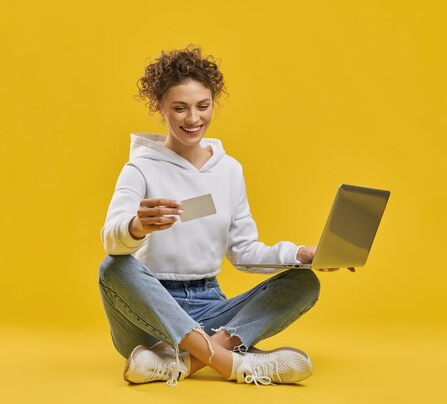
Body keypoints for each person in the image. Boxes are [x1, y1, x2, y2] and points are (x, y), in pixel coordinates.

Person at [98, 44, 351, 387]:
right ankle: (234, 364)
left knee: (304, 281)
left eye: (203, 106)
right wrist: (136, 227)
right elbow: (111, 238)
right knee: (114, 266)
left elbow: (245, 252)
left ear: (213, 103)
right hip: (148, 313)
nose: (193, 119)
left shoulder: (229, 171)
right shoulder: (140, 168)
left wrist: (301, 254)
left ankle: (183, 363)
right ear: (160, 108)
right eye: (180, 108)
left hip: (210, 309)